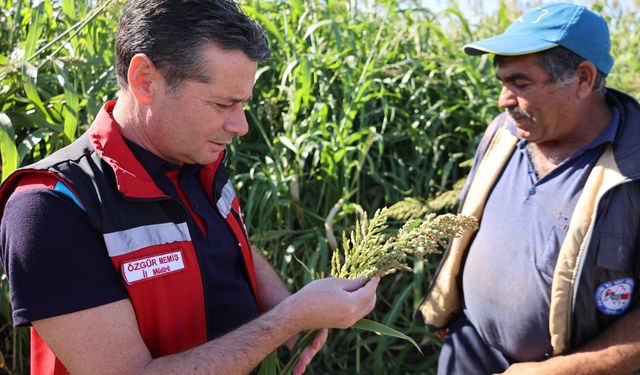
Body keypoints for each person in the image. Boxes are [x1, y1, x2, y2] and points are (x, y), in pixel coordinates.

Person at [0, 1, 380, 374]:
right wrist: (287, 320)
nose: (241, 126)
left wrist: (282, 301)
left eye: (243, 104)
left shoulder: (200, 159)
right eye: (222, 104)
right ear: (145, 80)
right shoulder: (52, 206)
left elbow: (227, 241)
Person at [416, 3, 640, 374]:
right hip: (469, 350)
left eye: (520, 84)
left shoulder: (632, 168)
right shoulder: (503, 133)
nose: (504, 100)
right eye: (503, 83)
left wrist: (562, 371)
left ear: (583, 79)